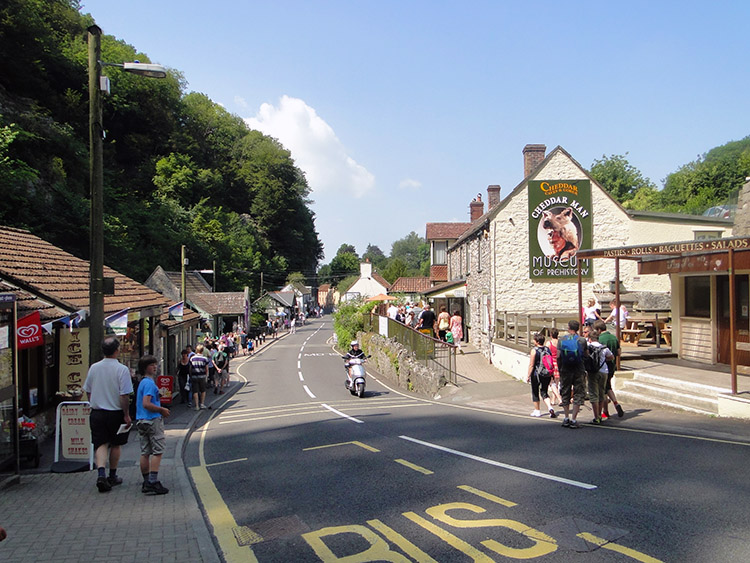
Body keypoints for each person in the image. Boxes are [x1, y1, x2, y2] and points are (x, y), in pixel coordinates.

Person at [82, 336, 133, 492]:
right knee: (116, 444)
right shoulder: (122, 369)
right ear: (117, 350)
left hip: (97, 412)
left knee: (101, 444)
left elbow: (88, 391)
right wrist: (126, 414)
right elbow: (124, 395)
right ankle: (112, 475)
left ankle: (101, 473)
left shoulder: (94, 368)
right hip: (115, 412)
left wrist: (93, 403)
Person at [135, 355, 170, 495]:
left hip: (141, 420)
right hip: (152, 420)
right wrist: (162, 410)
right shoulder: (149, 383)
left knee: (145, 452)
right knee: (158, 451)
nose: (154, 367)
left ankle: (146, 481)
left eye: (155, 364)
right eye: (151, 365)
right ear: (145, 368)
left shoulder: (143, 382)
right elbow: (146, 403)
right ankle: (153, 481)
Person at [557, 320, 587, 429]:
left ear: (569, 328)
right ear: (578, 328)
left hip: (565, 369)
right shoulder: (582, 340)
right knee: (578, 393)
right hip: (579, 369)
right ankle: (574, 419)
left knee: (565, 391)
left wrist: (560, 369)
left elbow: (558, 356)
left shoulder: (562, 340)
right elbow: (586, 355)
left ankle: (566, 418)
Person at [593, 319, 625, 418]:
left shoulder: (600, 339)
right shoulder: (614, 338)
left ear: (598, 330)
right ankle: (605, 411)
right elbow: (619, 353)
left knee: (605, 389)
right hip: (612, 366)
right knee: (606, 388)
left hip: (602, 367)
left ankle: (615, 403)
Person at [585, 329, 614, 424]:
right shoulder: (604, 348)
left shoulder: (589, 347)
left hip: (593, 372)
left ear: (590, 339)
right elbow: (611, 357)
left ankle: (596, 416)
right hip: (604, 371)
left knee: (594, 394)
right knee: (602, 393)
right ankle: (600, 415)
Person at [526, 333, 558, 418]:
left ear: (536, 341)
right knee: (544, 392)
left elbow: (531, 365)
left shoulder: (534, 350)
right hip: (547, 374)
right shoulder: (547, 349)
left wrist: (528, 375)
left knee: (535, 392)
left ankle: (537, 411)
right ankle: (550, 407)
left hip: (537, 374)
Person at [189, 344, 209, 410]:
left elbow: (190, 368)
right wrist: (207, 376)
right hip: (202, 376)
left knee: (195, 391)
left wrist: (190, 375)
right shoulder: (205, 359)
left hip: (194, 376)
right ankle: (202, 404)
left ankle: (197, 405)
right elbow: (206, 369)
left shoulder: (192, 358)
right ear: (202, 350)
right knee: (203, 390)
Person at [547, 327, 562, 405]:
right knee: (556, 383)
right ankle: (553, 400)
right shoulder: (560, 342)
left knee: (552, 383)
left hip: (552, 364)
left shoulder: (549, 343)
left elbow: (546, 355)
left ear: (551, 334)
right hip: (559, 363)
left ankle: (559, 398)